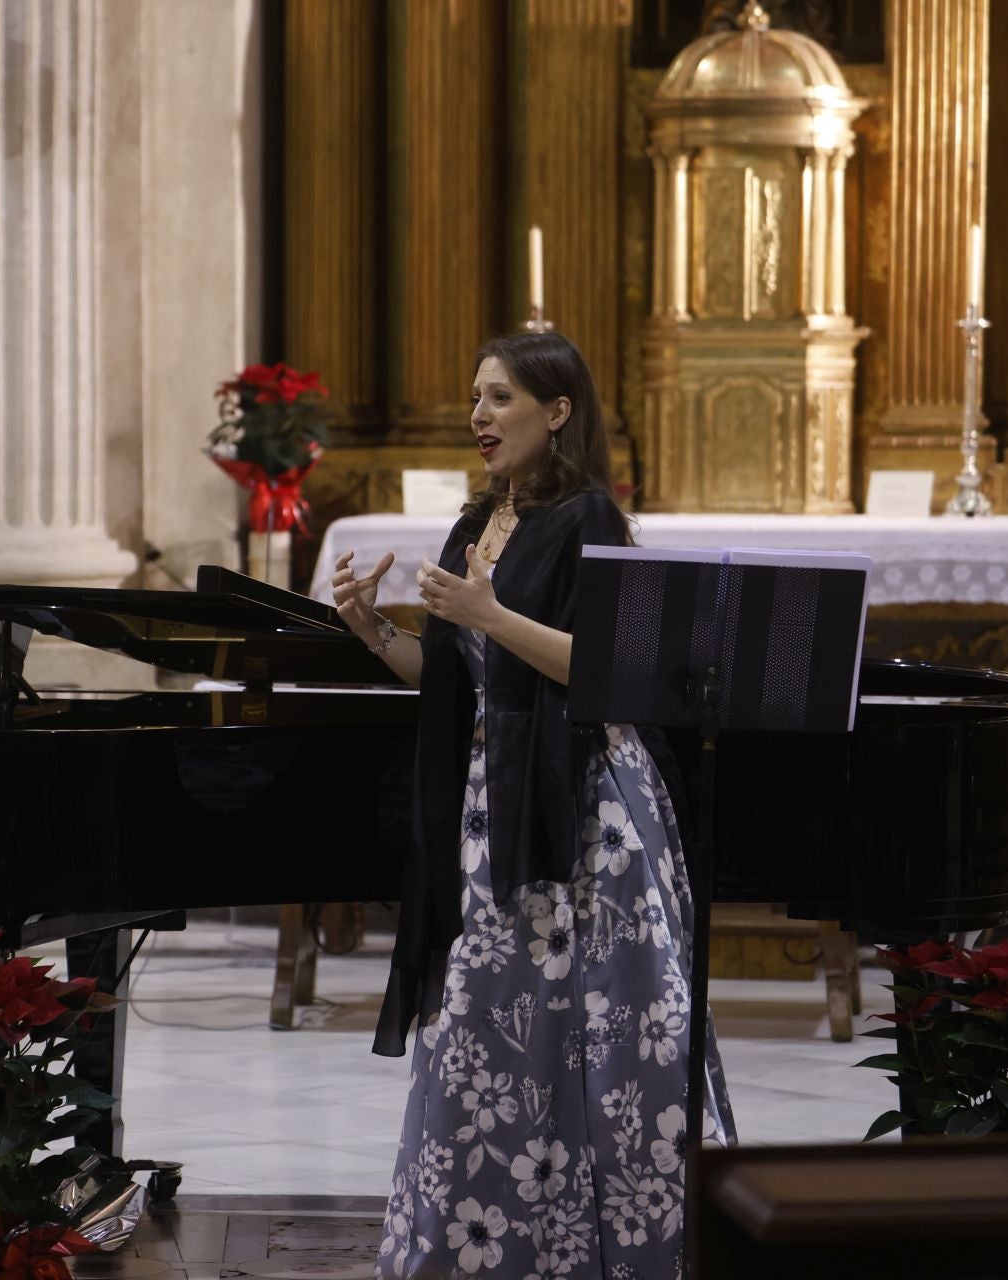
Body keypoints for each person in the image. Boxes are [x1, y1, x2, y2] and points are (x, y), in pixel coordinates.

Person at [332, 332, 733, 1278]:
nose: (479, 415)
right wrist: (371, 629)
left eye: (500, 397)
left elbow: (615, 673)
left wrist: (490, 615)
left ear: (557, 412)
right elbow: (453, 679)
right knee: (485, 1034)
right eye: (475, 397)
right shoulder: (475, 527)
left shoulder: (590, 518)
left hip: (584, 813)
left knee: (605, 1037)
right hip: (485, 814)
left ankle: (611, 1253)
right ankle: (493, 1254)